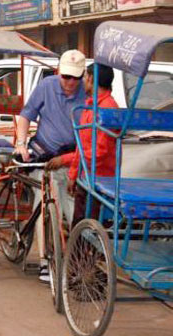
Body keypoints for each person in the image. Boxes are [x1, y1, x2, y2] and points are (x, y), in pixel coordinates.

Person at [15, 49, 86, 282]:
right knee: (45, 205)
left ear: (83, 76)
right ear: (58, 72)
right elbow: (26, 115)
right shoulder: (47, 86)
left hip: (73, 160)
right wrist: (21, 143)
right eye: (66, 76)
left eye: (75, 77)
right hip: (45, 155)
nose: (70, 82)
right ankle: (46, 261)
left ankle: (77, 261)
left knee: (74, 211)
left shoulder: (88, 94)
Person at [67, 63, 118, 226]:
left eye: (85, 77)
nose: (83, 82)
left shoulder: (106, 108)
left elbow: (98, 152)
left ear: (90, 79)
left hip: (98, 179)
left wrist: (74, 172)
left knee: (84, 227)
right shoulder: (91, 106)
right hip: (88, 174)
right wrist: (74, 172)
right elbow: (83, 146)